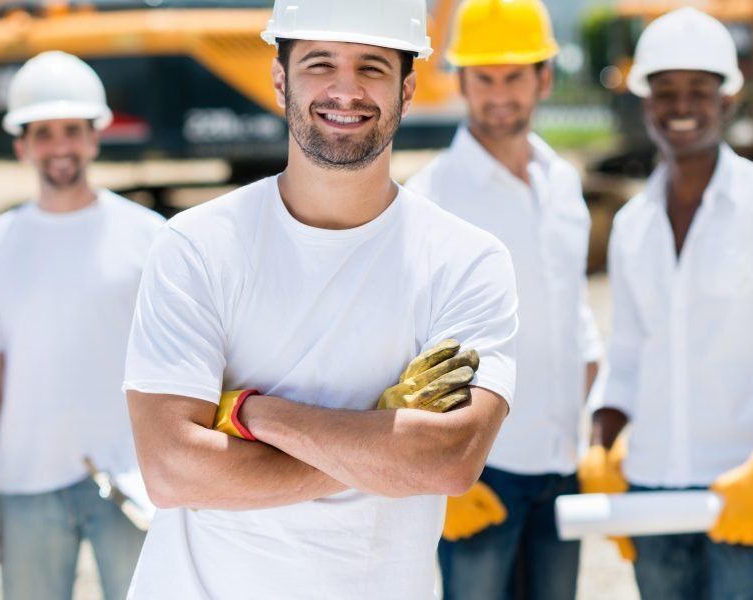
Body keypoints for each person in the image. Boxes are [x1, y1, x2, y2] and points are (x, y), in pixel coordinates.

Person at [121, 0, 520, 598]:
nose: (346, 90)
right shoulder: (197, 246)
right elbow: (172, 470)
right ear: (280, 79)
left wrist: (252, 415)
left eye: (372, 67)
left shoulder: (466, 261)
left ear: (407, 90)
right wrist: (381, 444)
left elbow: (449, 461)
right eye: (320, 63)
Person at [580, 8, 753, 599]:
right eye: (665, 91)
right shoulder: (632, 224)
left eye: (699, 90)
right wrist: (599, 449)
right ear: (645, 101)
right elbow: (628, 353)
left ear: (728, 99)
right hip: (650, 488)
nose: (681, 106)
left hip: (740, 482)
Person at [407, 0, 601, 597]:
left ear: (545, 77)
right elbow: (400, 345)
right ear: (461, 81)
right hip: (478, 472)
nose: (499, 95)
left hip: (561, 463)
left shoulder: (562, 182)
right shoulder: (430, 197)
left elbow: (574, 315)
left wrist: (597, 437)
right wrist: (431, 475)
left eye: (513, 76)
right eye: (484, 78)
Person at [0, 50, 162, 600]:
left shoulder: (149, 238)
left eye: (72, 130)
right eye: (44, 133)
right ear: (22, 146)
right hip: (27, 476)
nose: (60, 147)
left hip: (132, 477)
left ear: (95, 137)